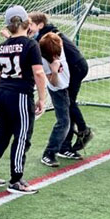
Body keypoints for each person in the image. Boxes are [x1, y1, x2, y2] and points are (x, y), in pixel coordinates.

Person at [0, 6, 46, 195]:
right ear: (26, 22)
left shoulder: (3, 45)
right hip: (21, 95)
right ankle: (16, 180)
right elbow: (39, 73)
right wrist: (42, 98)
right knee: (22, 136)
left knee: (2, 133)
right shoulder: (31, 44)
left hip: (3, 93)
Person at [28, 12, 92, 157]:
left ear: (40, 25)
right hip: (74, 68)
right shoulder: (45, 35)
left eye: (30, 24)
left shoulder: (47, 39)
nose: (28, 27)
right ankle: (66, 145)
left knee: (68, 105)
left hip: (76, 68)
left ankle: (82, 132)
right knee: (68, 106)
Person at [38, 32, 71, 168]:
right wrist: (55, 71)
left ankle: (64, 147)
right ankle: (49, 153)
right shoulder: (45, 60)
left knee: (68, 119)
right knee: (63, 122)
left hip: (67, 86)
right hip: (58, 90)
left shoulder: (58, 45)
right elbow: (54, 83)